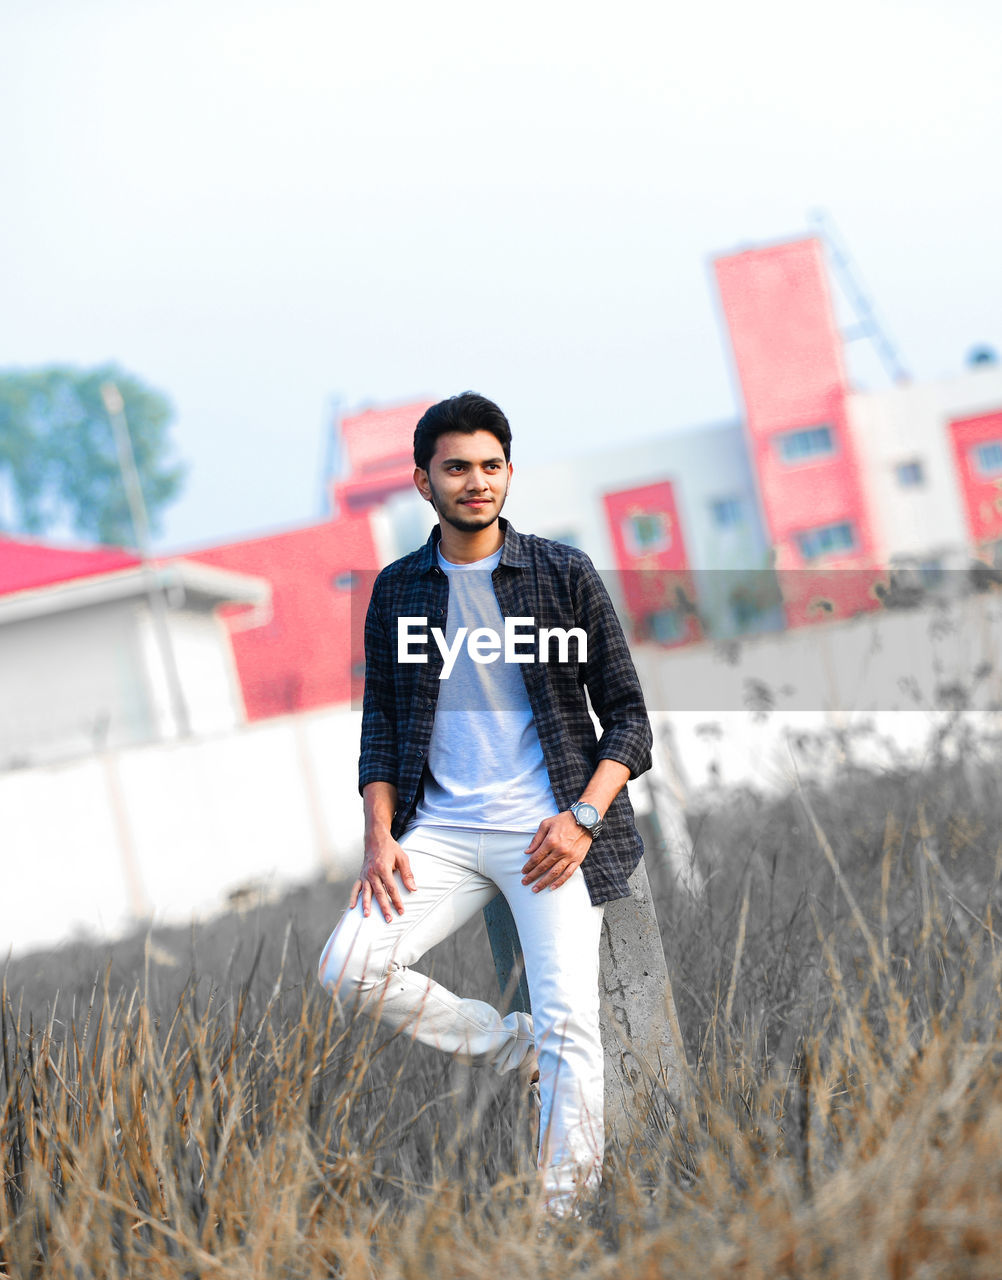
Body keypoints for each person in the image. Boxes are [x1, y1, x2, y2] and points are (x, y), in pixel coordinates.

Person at [318, 391, 653, 1215]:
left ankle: (564, 1215)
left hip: (549, 837)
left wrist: (582, 818)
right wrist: (378, 835)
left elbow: (631, 721)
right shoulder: (398, 592)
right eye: (457, 467)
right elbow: (382, 729)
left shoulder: (560, 572)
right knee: (346, 969)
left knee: (575, 1021)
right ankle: (514, 1049)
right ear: (423, 481)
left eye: (491, 465)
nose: (477, 482)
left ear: (510, 472)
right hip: (440, 833)